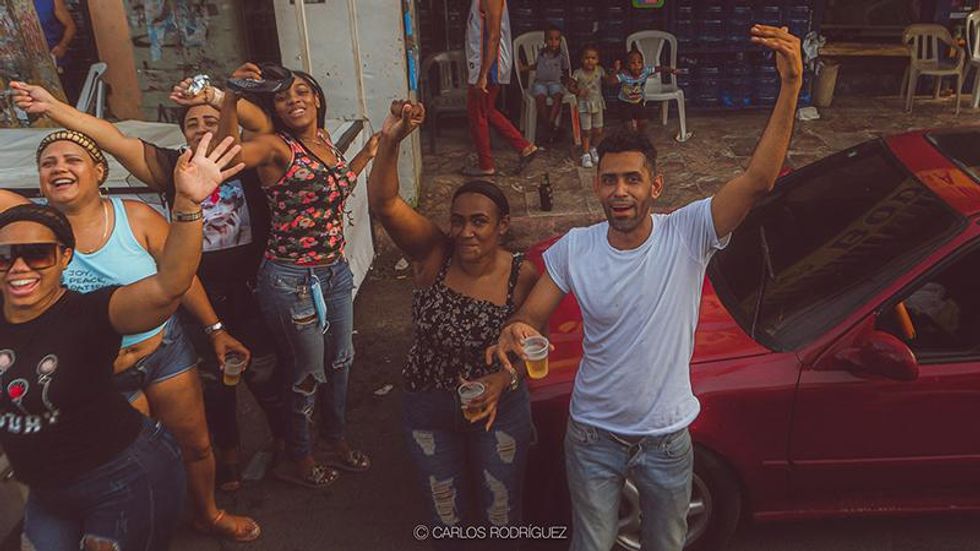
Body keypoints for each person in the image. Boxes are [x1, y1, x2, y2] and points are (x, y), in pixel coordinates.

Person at [489, 25, 803, 551]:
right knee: (591, 544)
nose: (620, 191)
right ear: (597, 186)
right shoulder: (575, 248)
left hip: (667, 437)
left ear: (654, 186)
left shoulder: (689, 233)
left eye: (632, 179)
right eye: (610, 180)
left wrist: (791, 85)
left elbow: (758, 180)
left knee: (665, 543)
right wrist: (514, 332)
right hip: (591, 434)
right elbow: (531, 317)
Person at [10, 76, 286, 495]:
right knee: (210, 391)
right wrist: (52, 107)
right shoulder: (174, 168)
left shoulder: (241, 162)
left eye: (210, 121)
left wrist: (221, 95)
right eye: (192, 123)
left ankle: (286, 443)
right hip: (179, 304)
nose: (201, 128)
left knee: (266, 373)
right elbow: (114, 139)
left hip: (248, 292)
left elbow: (257, 124)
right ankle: (225, 459)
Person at [0, 133, 237, 550]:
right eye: (48, 163)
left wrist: (215, 328)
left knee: (195, 443)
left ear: (99, 171)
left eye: (72, 159)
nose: (59, 168)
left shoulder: (135, 217)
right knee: (113, 453)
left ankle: (208, 513)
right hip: (98, 372)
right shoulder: (32, 231)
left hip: (162, 352)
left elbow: (175, 281)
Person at [369, 100, 538, 548]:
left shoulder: (522, 275)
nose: (466, 232)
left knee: (502, 515)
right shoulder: (434, 254)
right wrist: (392, 141)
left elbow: (532, 349)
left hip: (500, 409)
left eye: (479, 222)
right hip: (428, 407)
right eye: (458, 221)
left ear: (502, 226)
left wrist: (505, 380)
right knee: (446, 518)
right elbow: (384, 203)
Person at [217, 65, 376, 489]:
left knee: (341, 362)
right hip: (291, 280)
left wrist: (371, 150)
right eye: (283, 97)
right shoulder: (275, 147)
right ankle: (298, 456)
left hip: (334, 272)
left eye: (302, 91)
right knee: (307, 373)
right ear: (276, 109)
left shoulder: (323, 140)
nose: (294, 100)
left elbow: (335, 186)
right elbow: (226, 156)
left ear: (317, 98)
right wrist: (231, 96)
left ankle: (335, 439)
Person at [464, 0, 539, 177]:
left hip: (488, 66)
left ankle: (486, 165)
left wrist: (483, 75)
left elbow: (494, 36)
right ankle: (524, 147)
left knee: (478, 113)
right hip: (483, 65)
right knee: (487, 110)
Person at [606, 49, 678, 132]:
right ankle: (630, 136)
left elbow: (659, 68)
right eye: (633, 63)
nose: (637, 65)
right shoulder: (624, 75)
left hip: (638, 101)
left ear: (643, 64)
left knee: (644, 123)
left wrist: (672, 70)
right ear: (627, 65)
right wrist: (616, 70)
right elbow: (609, 82)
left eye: (639, 62)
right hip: (625, 103)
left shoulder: (645, 71)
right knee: (628, 127)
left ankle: (640, 136)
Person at [521, 25, 569, 143]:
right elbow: (536, 66)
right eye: (550, 39)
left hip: (555, 83)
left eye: (556, 39)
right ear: (545, 40)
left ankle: (550, 123)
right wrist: (525, 68)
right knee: (540, 98)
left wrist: (567, 83)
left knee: (558, 96)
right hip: (540, 82)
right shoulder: (541, 53)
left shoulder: (561, 56)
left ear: (560, 41)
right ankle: (546, 124)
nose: (553, 42)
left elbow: (566, 70)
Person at [569, 45, 606, 168]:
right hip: (584, 105)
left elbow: (609, 80)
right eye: (587, 58)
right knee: (586, 131)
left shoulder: (600, 71)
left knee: (598, 130)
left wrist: (616, 71)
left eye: (593, 58)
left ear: (598, 60)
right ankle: (585, 154)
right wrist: (578, 91)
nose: (590, 61)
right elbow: (570, 86)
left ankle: (593, 148)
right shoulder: (578, 73)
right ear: (581, 59)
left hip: (597, 104)